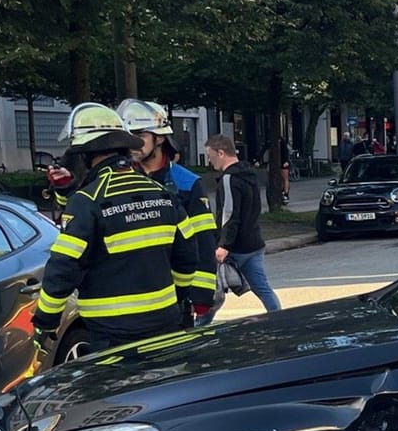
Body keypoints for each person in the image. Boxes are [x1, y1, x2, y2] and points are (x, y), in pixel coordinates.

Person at [33, 102, 210, 360]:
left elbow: (63, 268)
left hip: (111, 334)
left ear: (86, 155)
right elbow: (188, 256)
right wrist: (179, 297)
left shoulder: (87, 200)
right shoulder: (163, 194)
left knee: (123, 398)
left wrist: (46, 321)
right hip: (165, 323)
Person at [120, 99, 219, 318]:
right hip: (130, 297)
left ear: (160, 137)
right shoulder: (119, 180)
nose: (133, 144)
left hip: (174, 297)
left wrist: (201, 296)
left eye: (140, 135)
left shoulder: (187, 183)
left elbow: (203, 241)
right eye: (128, 136)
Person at [204, 134, 282, 313]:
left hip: (234, 248)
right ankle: (278, 318)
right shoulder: (249, 174)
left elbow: (229, 214)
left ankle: (200, 327)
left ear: (221, 153)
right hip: (253, 243)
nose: (209, 161)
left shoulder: (228, 179)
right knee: (262, 288)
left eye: (210, 155)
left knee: (214, 291)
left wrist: (223, 245)